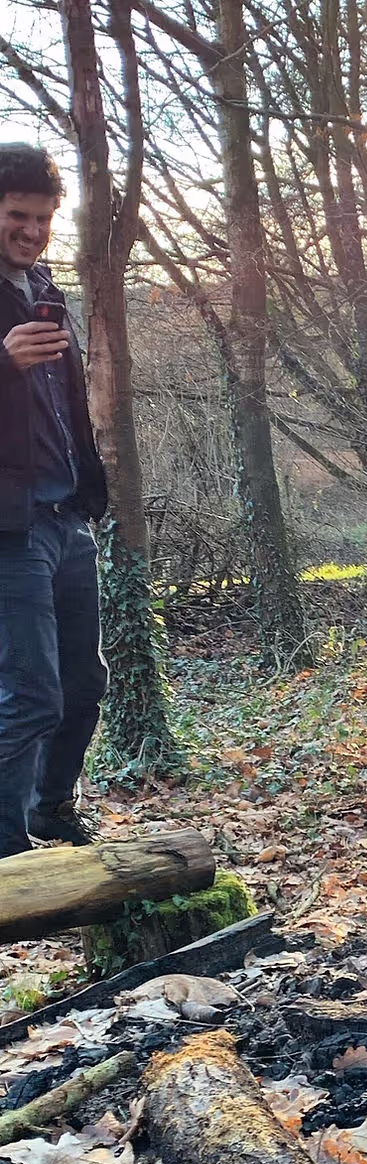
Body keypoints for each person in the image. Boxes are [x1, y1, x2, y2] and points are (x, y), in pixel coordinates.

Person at [0, 143, 109, 859]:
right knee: (31, 692)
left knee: (83, 682)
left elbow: (68, 401)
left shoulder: (44, 287)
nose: (31, 230)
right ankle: (5, 853)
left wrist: (93, 487)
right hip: (9, 527)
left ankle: (51, 808)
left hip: (68, 516)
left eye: (41, 218)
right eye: (16, 215)